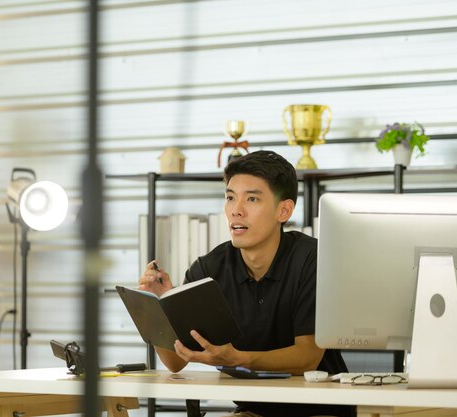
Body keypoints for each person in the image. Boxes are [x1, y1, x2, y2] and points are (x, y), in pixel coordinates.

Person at [138, 150, 355, 417]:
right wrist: (161, 308)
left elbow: (307, 357)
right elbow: (175, 361)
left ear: (283, 210)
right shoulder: (208, 269)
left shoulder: (313, 259)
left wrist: (238, 359)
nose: (236, 211)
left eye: (252, 199)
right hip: (253, 411)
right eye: (230, 198)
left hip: (321, 410)